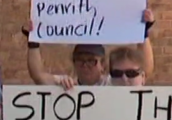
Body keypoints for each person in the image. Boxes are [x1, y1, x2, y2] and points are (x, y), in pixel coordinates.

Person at [22, 9, 156, 88]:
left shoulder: (112, 82)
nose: (85, 65)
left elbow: (145, 68)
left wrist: (143, 32)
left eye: (91, 60)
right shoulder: (68, 84)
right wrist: (32, 41)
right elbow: (39, 76)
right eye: (80, 60)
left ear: (102, 65)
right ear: (73, 63)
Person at [62, 45, 172, 90]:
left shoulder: (155, 105)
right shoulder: (103, 91)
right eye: (117, 73)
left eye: (131, 73)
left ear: (142, 77)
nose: (124, 78)